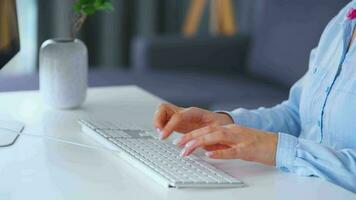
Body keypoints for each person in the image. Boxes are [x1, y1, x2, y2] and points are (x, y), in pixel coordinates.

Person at [153, 1, 356, 193]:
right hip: (295, 185)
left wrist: (277, 148)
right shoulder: (344, 20)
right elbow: (297, 113)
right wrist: (226, 124)